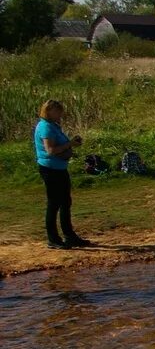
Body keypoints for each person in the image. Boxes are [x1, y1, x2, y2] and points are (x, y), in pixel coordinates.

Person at [33, 99, 90, 249]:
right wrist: (70, 144)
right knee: (54, 203)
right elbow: (51, 150)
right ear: (50, 111)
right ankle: (53, 238)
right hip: (50, 169)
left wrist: (70, 146)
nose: (61, 114)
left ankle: (69, 235)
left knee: (65, 202)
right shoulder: (46, 127)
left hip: (59, 168)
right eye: (58, 111)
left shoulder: (53, 126)